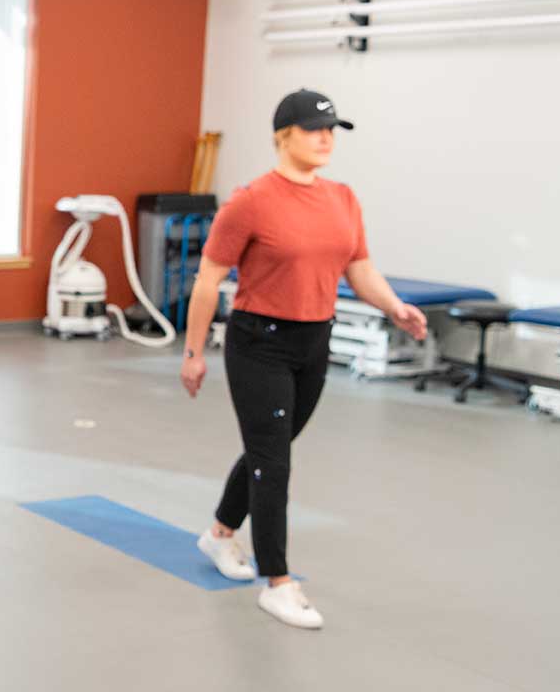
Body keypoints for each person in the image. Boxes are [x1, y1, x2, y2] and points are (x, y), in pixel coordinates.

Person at [180, 90, 427, 630]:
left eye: (332, 130)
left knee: (271, 448)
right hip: (258, 343)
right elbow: (208, 281)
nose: (325, 139)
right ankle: (279, 582)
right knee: (274, 461)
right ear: (282, 135)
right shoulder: (251, 201)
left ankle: (220, 534)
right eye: (314, 129)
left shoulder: (343, 198)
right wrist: (194, 352)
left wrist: (395, 308)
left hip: (315, 342)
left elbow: (359, 269)